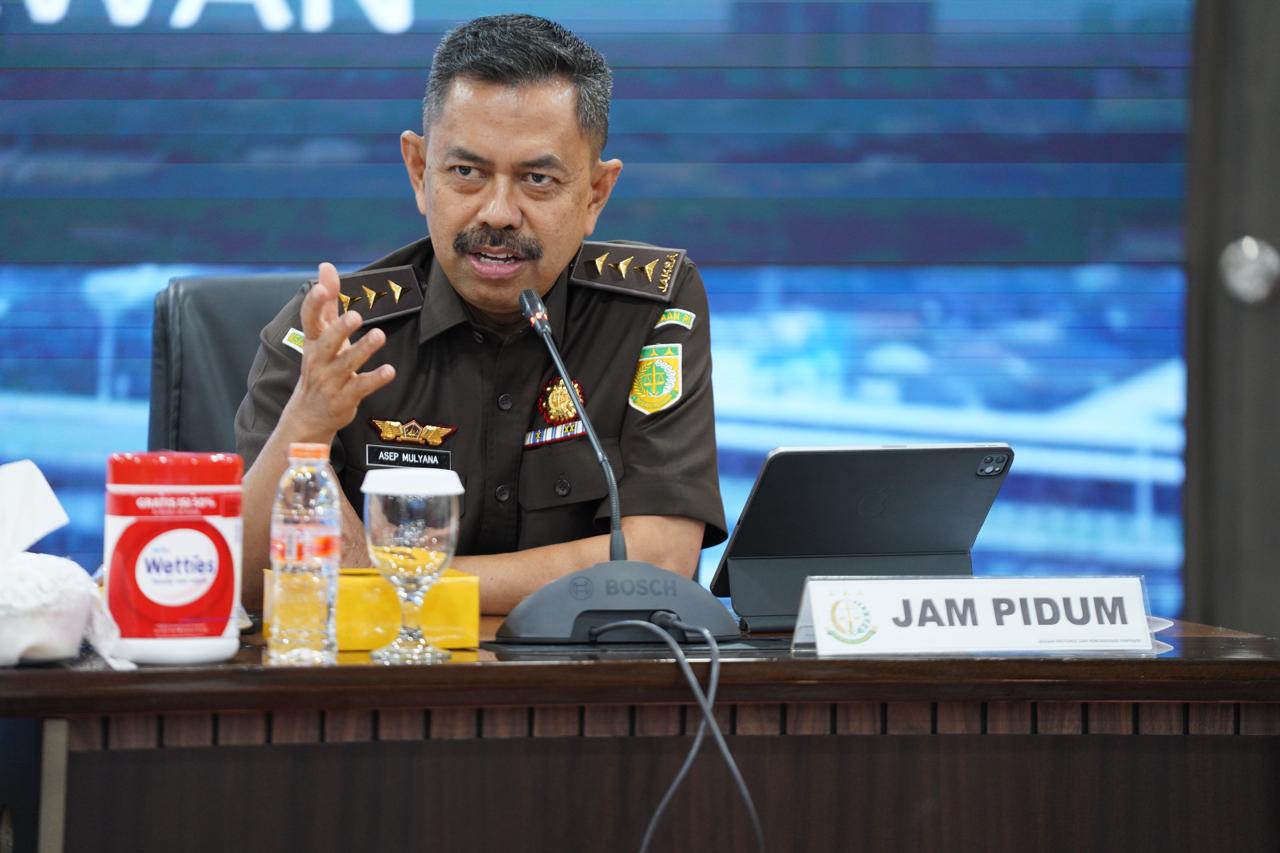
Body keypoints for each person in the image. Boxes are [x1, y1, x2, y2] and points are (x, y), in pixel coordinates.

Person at [235, 14, 726, 615]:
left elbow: (660, 562)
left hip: (586, 671)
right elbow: (248, 581)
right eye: (466, 172)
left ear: (595, 194)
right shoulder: (335, 329)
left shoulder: (648, 308)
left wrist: (385, 582)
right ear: (420, 171)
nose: (497, 213)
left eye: (537, 179)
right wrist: (306, 424)